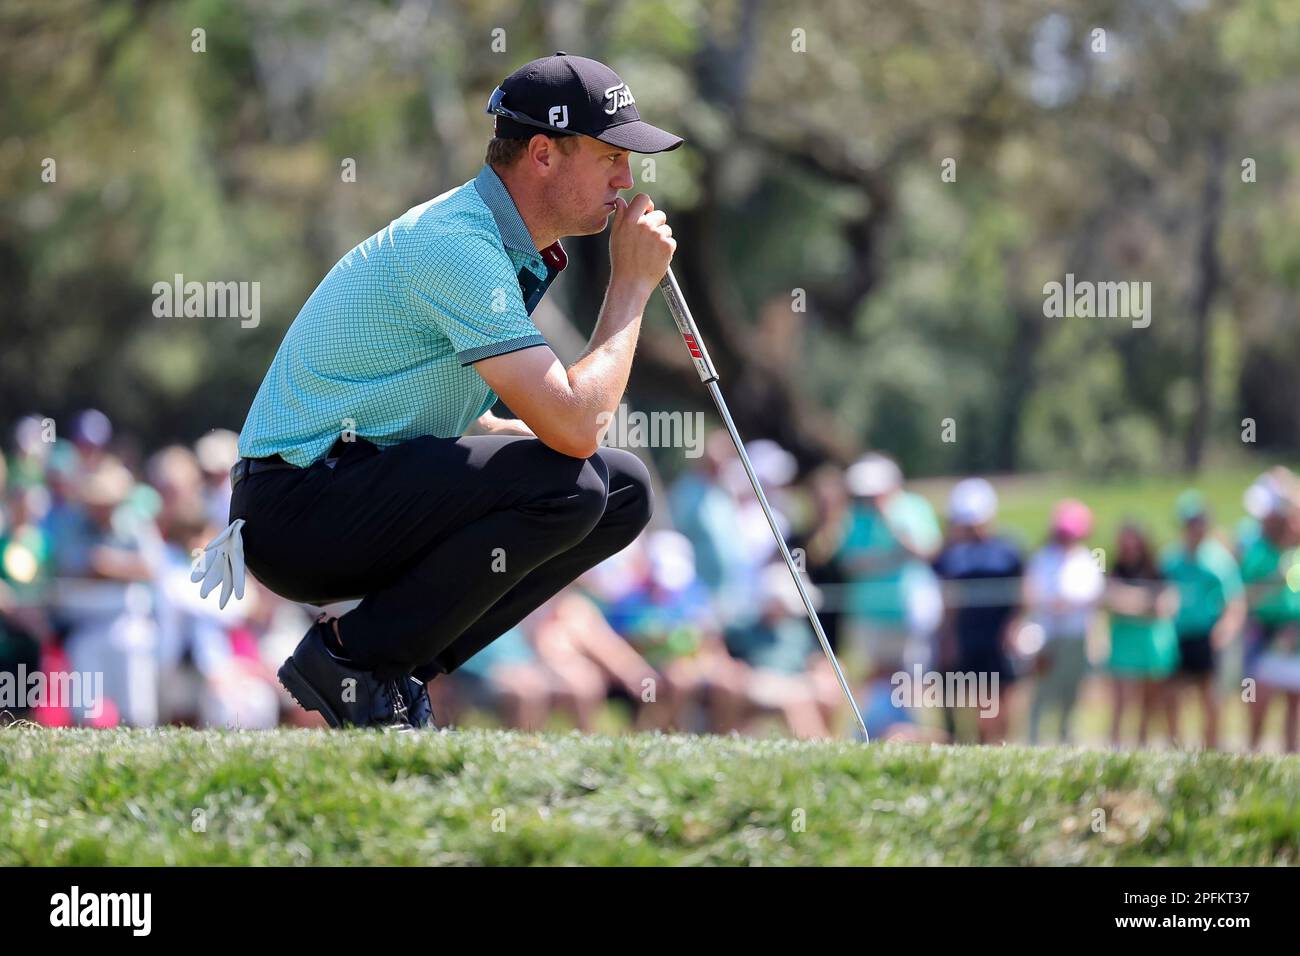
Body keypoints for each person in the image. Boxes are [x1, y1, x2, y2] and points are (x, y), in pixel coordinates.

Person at [198, 53, 682, 730]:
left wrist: (557, 441)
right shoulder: (459, 243)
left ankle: (389, 673)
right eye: (609, 157)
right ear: (543, 153)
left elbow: (473, 420)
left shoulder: (502, 245)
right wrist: (630, 287)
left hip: (346, 485)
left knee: (619, 487)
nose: (626, 180)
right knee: (574, 483)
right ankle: (352, 662)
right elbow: (573, 426)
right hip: (296, 506)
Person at [931, 478, 1022, 744]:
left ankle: (999, 746)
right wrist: (946, 636)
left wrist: (1014, 626)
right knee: (969, 700)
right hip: (965, 639)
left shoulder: (1008, 549)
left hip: (998, 639)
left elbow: (1023, 591)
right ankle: (969, 744)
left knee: (1000, 699)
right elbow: (944, 595)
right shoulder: (951, 553)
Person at [835, 453, 942, 676]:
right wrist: (889, 559)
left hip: (908, 610)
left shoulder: (913, 507)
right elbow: (849, 561)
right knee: (878, 675)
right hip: (870, 612)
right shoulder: (855, 516)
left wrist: (892, 523)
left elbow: (927, 551)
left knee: (912, 674)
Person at [1160, 491, 1244, 749]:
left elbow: (1235, 601)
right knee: (1173, 695)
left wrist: (1226, 628)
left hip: (1208, 636)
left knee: (1211, 698)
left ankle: (1210, 750)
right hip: (1177, 636)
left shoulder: (1219, 560)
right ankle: (1176, 748)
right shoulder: (1171, 559)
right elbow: (1160, 593)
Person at [1023, 499, 1104, 744]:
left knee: (1070, 689)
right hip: (1045, 634)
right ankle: (1034, 739)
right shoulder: (1042, 558)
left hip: (1074, 634)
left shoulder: (1087, 559)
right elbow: (1031, 592)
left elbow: (1093, 597)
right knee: (1042, 690)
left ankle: (1065, 736)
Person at [1104, 522, 1180, 748]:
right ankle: (1115, 748)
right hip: (1123, 645)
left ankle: (1142, 746)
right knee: (1120, 702)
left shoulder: (1156, 570)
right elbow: (1109, 600)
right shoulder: (1115, 568)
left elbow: (1165, 606)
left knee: (1149, 703)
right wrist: (1145, 602)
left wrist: (1127, 600)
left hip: (1150, 646)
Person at [1238, 478, 1300, 751]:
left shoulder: (1295, 551)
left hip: (1294, 632)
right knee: (1258, 699)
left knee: (1294, 702)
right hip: (1265, 632)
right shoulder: (1257, 551)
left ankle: (1291, 757)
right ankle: (1253, 753)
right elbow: (1246, 594)